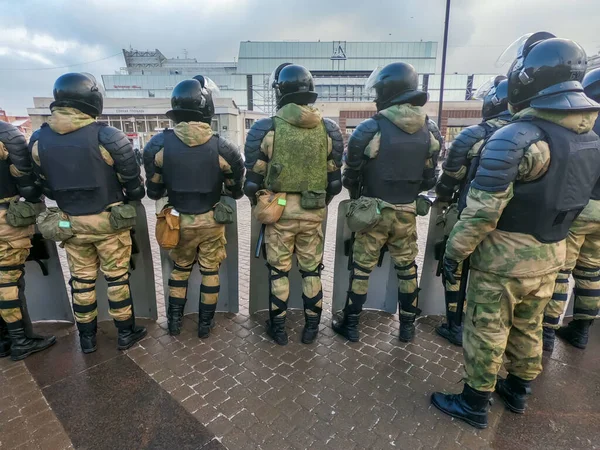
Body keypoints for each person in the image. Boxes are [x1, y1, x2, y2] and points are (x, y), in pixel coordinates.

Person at [431, 33, 600, 429]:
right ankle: (519, 390)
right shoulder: (591, 138)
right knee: (528, 326)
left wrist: (454, 254)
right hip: (552, 252)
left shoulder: (518, 138)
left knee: (488, 328)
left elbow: (482, 213)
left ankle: (474, 402)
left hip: (503, 258)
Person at [30, 72, 146, 354]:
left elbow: (43, 186)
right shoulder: (108, 137)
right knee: (117, 280)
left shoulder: (38, 140)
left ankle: (87, 339)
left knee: (81, 282)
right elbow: (134, 188)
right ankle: (125, 334)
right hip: (108, 224)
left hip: (70, 225)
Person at [334, 62, 441, 343]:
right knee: (407, 269)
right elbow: (430, 179)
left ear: (386, 91)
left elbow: (351, 175)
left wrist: (362, 197)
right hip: (407, 211)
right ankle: (407, 327)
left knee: (361, 269)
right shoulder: (430, 131)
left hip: (374, 212)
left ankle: (352, 324)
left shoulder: (370, 128)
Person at [244, 63, 343, 345]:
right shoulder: (328, 130)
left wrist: (267, 203)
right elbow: (335, 184)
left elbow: (252, 183)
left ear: (280, 91)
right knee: (312, 271)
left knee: (279, 273)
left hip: (280, 213)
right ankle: (312, 327)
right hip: (314, 211)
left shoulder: (268, 128)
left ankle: (278, 329)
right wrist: (315, 204)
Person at [144, 76, 244, 338]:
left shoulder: (159, 145)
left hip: (178, 221)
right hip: (210, 220)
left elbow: (152, 189)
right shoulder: (222, 146)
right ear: (206, 108)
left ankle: (175, 322)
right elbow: (237, 189)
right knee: (211, 271)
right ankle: (205, 325)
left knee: (180, 269)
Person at [435, 76, 512, 346]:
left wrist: (443, 197)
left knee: (455, 267)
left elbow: (450, 178)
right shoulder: (537, 134)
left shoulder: (473, 135)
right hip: (513, 227)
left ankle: (454, 325)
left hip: (471, 214)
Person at [542, 67, 600, 352]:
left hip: (582, 207)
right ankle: (581, 329)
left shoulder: (589, 125)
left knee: (561, 271)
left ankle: (547, 331)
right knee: (591, 271)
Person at [0, 121, 56, 360]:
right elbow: (29, 185)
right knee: (8, 282)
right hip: (5, 222)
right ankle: (20, 340)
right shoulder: (6, 133)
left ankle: (3, 341)